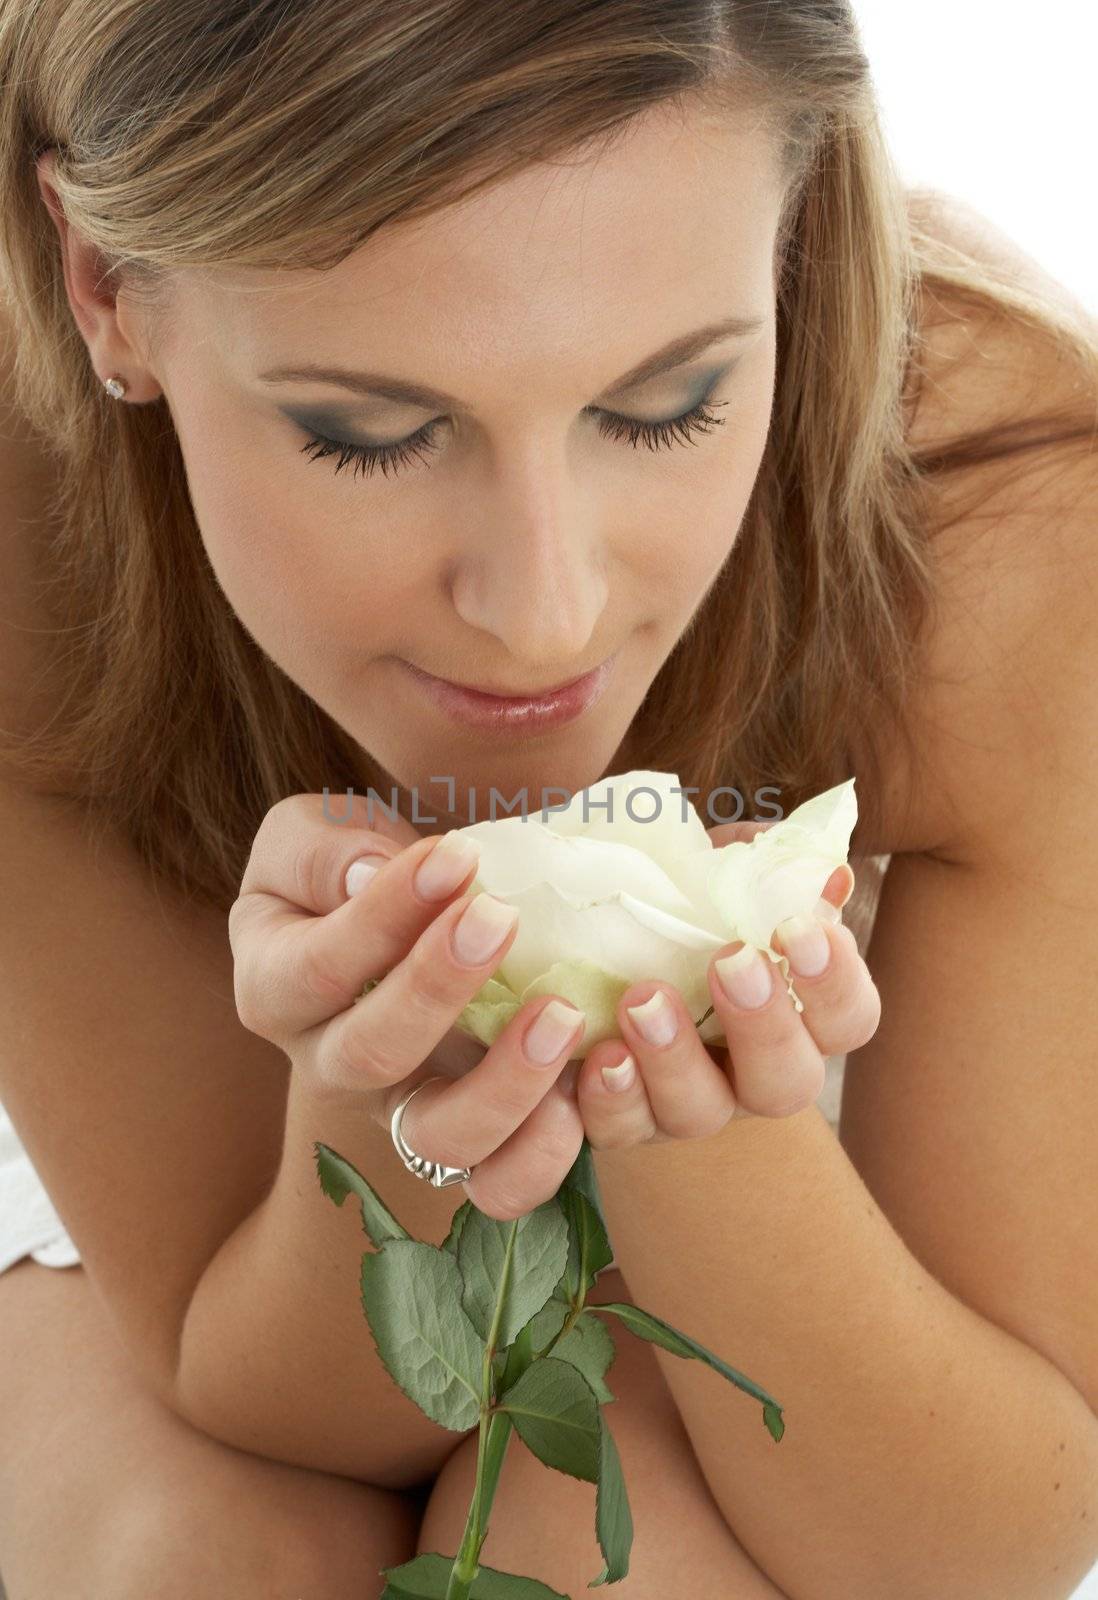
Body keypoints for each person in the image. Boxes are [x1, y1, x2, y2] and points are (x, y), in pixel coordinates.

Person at [0, 3, 1096, 1596]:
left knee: (605, 1561)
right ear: (105, 293)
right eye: (364, 434)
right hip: (241, 1227)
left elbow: (972, 1540)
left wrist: (681, 1089)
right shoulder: (34, 539)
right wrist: (392, 1083)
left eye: (663, 408)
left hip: (848, 1240)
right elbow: (272, 1396)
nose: (544, 612)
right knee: (202, 1552)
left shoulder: (999, 510)